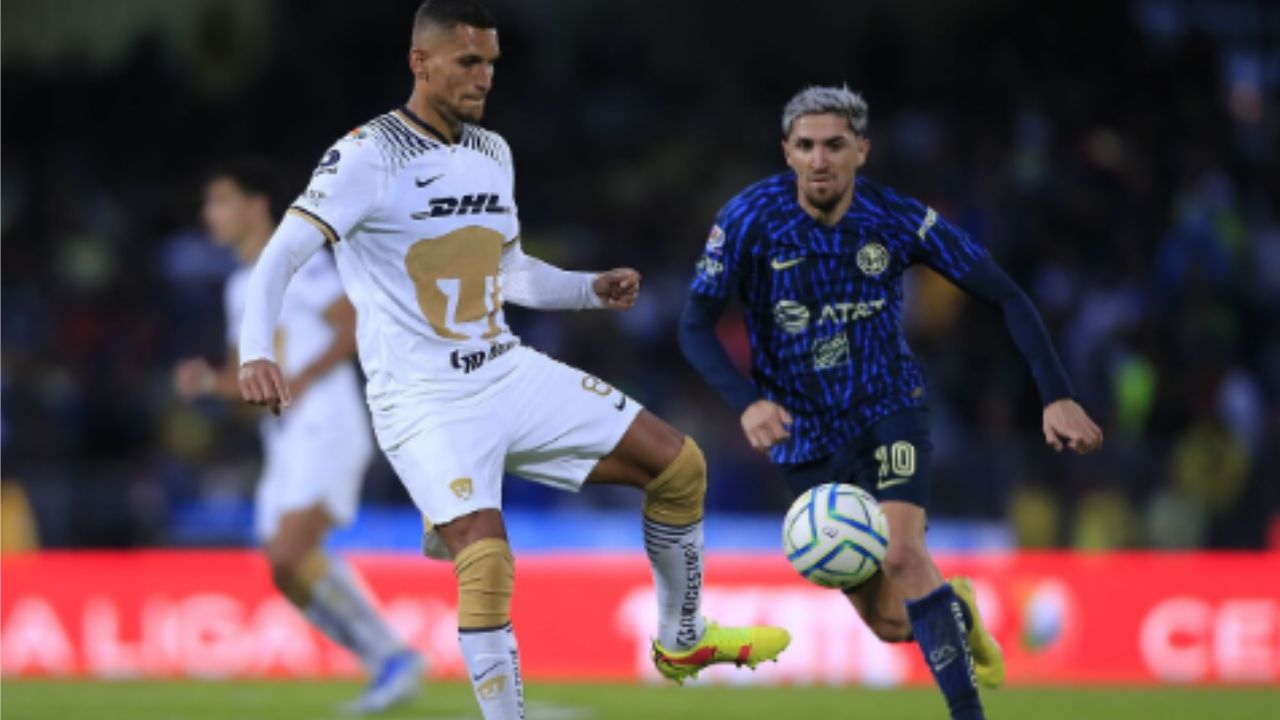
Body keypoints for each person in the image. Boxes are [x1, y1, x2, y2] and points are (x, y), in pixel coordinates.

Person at [234, 2, 790, 717]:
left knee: (680, 466)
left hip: (504, 368)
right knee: (487, 562)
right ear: (420, 62)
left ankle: (681, 640)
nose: (485, 77)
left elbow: (510, 272)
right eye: (469, 61)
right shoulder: (367, 156)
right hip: (422, 399)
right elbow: (281, 253)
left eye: (492, 62)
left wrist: (589, 290)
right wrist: (256, 352)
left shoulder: (492, 153)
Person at [678, 86, 1104, 720]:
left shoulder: (898, 218)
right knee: (889, 622)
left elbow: (1007, 295)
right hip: (802, 436)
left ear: (862, 151)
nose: (820, 160)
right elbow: (693, 323)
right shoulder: (747, 219)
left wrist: (1057, 395)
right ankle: (955, 609)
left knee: (903, 555)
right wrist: (746, 403)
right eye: (806, 146)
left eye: (835, 145)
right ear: (787, 153)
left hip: (887, 407)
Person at [172, 160, 423, 713]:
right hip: (282, 439)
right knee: (285, 568)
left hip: (325, 423)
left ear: (257, 205)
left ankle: (393, 659)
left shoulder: (297, 260)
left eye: (221, 200)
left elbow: (354, 322)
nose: (209, 214)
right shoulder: (241, 286)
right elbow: (251, 381)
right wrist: (211, 382)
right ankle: (387, 658)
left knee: (291, 550)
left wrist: (303, 378)